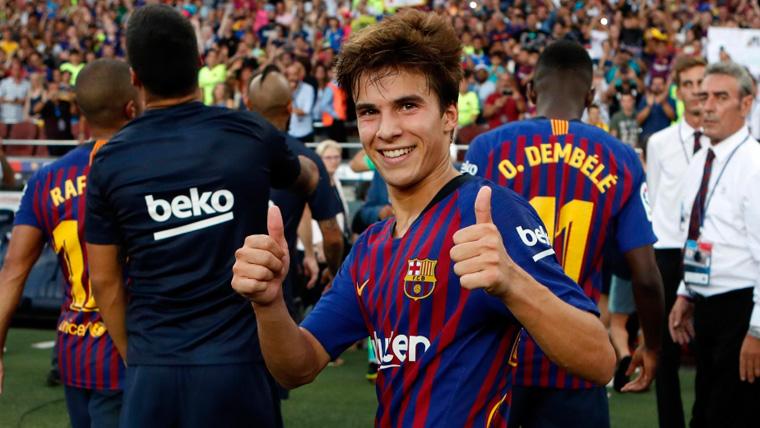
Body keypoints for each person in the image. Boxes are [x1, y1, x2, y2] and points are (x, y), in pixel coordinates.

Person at [231, 10, 614, 426]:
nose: (386, 130)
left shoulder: (492, 213)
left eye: (407, 106)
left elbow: (599, 360)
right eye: (369, 112)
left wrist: (511, 281)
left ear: (449, 115)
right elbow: (298, 366)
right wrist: (269, 304)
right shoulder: (371, 249)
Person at [83, 6, 318, 428]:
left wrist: (137, 356)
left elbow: (103, 279)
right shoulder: (250, 134)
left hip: (154, 367)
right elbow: (303, 176)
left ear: (135, 77)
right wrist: (308, 175)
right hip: (238, 365)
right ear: (199, 63)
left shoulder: (109, 160)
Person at [464, 40, 664, 427]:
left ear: (530, 91)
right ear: (590, 97)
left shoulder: (488, 148)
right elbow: (644, 273)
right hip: (577, 359)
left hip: (498, 360)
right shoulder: (621, 158)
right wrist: (652, 346)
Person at [0, 58, 141, 428]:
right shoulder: (147, 169)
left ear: (80, 111)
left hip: (75, 347)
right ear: (132, 107)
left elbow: (12, 271)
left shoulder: (46, 179)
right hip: (135, 348)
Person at [669, 61, 760, 428]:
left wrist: (757, 331)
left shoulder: (754, 165)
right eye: (703, 95)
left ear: (746, 104)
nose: (706, 106)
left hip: (741, 309)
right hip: (706, 306)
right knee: (705, 413)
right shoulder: (701, 159)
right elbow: (699, 233)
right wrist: (685, 291)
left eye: (720, 97)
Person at [247, 65, 344, 316]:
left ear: (248, 105)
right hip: (277, 290)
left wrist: (309, 252)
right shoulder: (306, 159)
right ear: (290, 108)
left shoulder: (222, 153)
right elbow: (332, 236)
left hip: (226, 290)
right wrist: (334, 273)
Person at [646, 55, 707, 428]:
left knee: (709, 346)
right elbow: (654, 198)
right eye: (689, 85)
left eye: (702, 83)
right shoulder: (660, 142)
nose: (697, 92)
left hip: (708, 252)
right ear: (678, 91)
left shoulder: (726, 142)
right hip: (667, 252)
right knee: (665, 351)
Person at [286, 61, 315, 142]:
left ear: (299, 75)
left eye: (294, 74)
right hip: (290, 132)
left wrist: (288, 110)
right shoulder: (284, 89)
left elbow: (306, 111)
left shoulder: (308, 88)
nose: (292, 77)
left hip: (305, 132)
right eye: (289, 74)